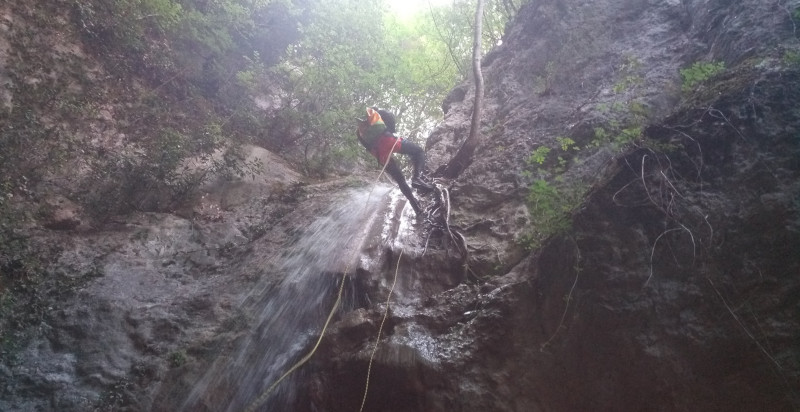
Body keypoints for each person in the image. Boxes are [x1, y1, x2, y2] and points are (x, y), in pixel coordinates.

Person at [356, 107, 431, 215]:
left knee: (400, 180)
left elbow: (366, 146)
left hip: (378, 154)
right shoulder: (380, 113)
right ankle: (417, 178)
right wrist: (391, 133)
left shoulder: (360, 132)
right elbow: (391, 124)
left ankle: (416, 206)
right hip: (388, 141)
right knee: (418, 152)